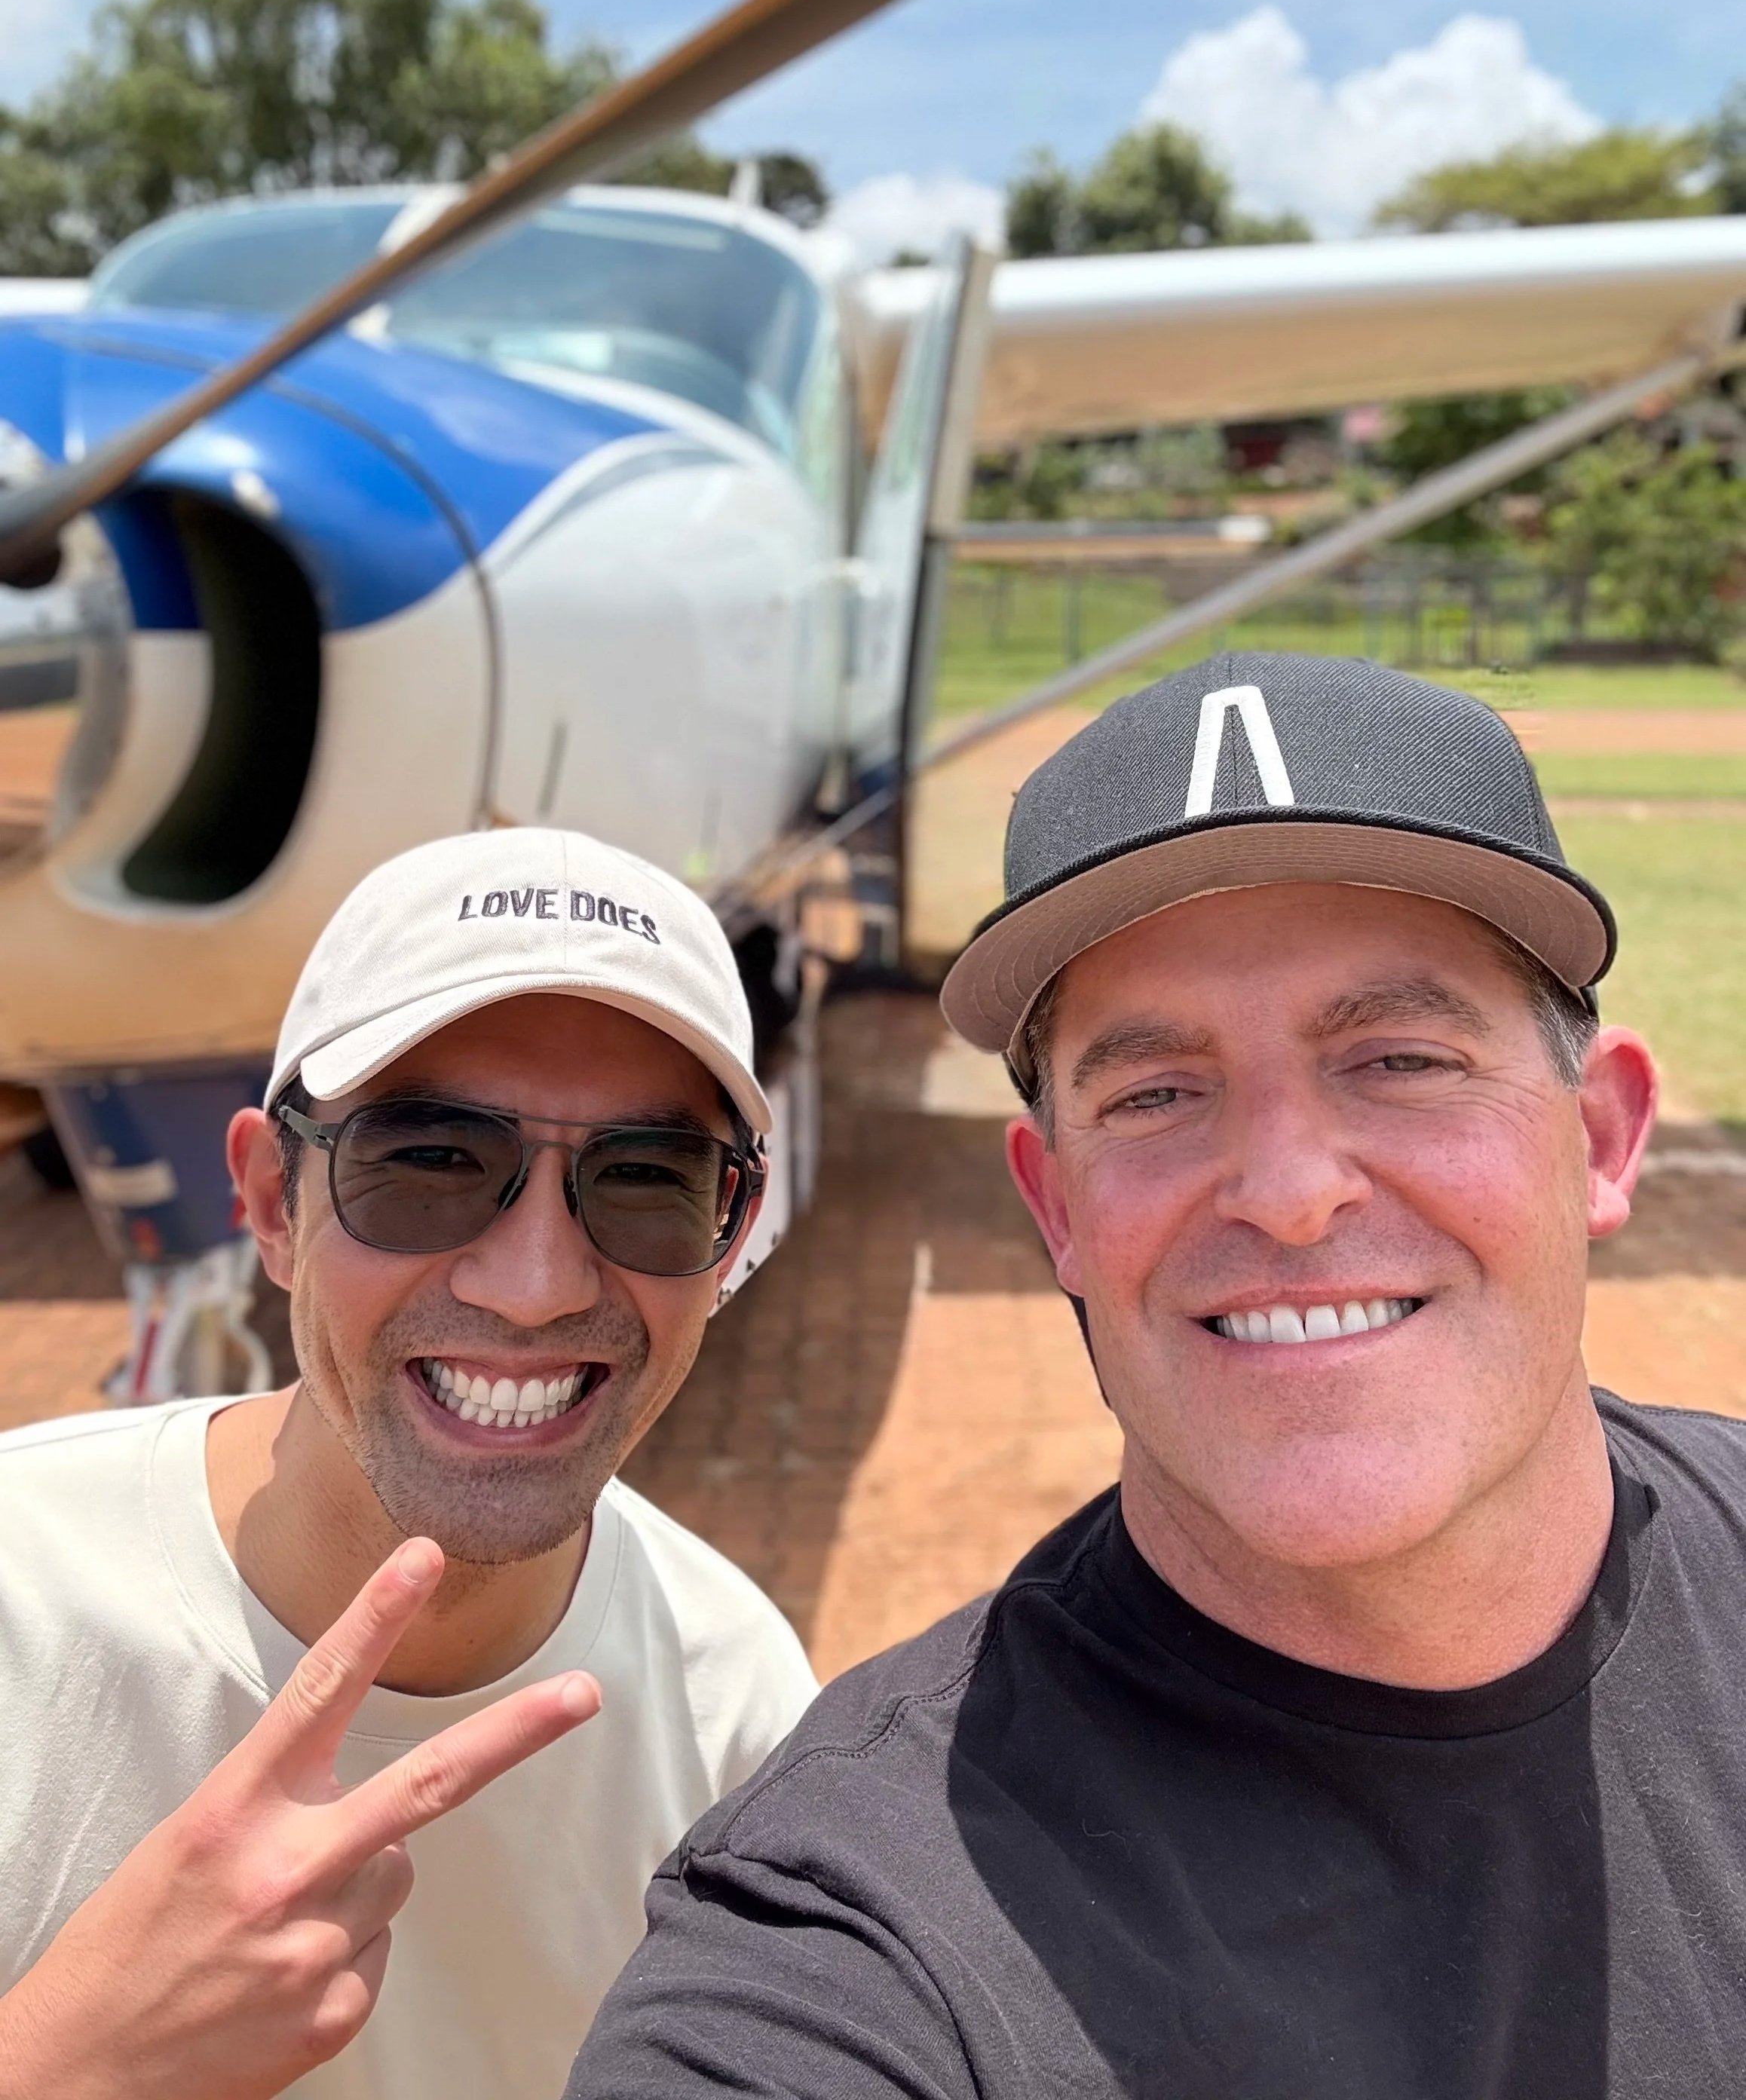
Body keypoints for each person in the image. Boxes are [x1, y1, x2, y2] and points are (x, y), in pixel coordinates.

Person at [568, 650, 1746, 2100]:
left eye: (1400, 1059)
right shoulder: (859, 1935)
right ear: (1056, 1209)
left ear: (1606, 1136)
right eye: (1157, 1094)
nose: (1291, 1190)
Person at [0, 825, 816, 2100]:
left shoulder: (740, 1718)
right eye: (430, 1163)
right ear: (273, 1204)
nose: (538, 1288)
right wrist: (64, 2060)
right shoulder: (18, 1600)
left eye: (647, 1179)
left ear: (730, 1238)